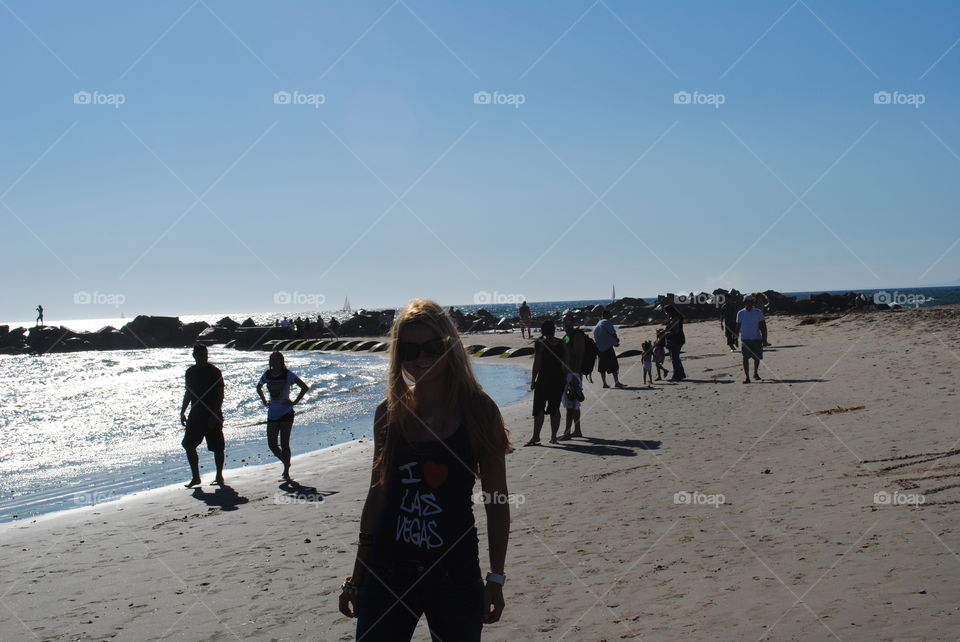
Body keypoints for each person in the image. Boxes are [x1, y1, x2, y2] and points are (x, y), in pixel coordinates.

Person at [338, 299, 510, 641]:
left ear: (450, 347)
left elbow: (497, 500)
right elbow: (377, 496)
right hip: (388, 570)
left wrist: (496, 577)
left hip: (454, 572)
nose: (422, 358)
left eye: (433, 347)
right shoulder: (388, 414)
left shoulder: (479, 412)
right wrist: (358, 576)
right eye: (410, 349)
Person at [257, 351, 309, 480]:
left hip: (286, 412)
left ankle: (286, 471)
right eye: (272, 360)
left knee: (284, 443)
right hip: (272, 413)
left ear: (281, 361)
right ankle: (286, 462)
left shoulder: (287, 374)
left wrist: (294, 402)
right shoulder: (267, 374)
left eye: (277, 359)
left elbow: (304, 387)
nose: (274, 362)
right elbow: (259, 387)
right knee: (272, 444)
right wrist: (264, 400)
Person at [179, 344, 225, 488]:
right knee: (188, 444)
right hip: (196, 413)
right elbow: (188, 393)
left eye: (205, 355)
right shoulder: (190, 372)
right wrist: (183, 411)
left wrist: (215, 414)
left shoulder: (215, 372)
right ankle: (196, 477)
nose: (203, 358)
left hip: (212, 412)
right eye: (200, 355)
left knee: (217, 447)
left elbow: (220, 395)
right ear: (194, 356)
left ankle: (219, 475)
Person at [526, 320, 565, 445]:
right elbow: (565, 363)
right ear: (554, 330)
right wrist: (567, 380)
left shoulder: (540, 344)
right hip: (558, 380)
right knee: (555, 409)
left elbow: (537, 363)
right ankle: (553, 437)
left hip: (543, 380)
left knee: (539, 409)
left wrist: (533, 380)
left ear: (543, 330)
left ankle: (536, 436)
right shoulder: (562, 343)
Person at [559, 314, 585, 440]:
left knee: (571, 403)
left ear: (573, 322)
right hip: (567, 374)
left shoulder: (577, 336)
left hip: (574, 374)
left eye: (567, 321)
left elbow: (579, 356)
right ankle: (577, 430)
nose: (565, 324)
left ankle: (567, 432)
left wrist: (576, 375)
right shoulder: (566, 337)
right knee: (574, 403)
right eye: (563, 321)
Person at [737, 295, 768, 384]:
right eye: (747, 301)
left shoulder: (758, 312)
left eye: (751, 301)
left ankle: (755, 373)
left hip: (757, 338)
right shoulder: (740, 313)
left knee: (757, 357)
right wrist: (735, 338)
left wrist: (765, 339)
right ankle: (747, 377)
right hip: (745, 339)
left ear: (753, 302)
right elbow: (738, 326)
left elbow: (763, 326)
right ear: (745, 302)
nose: (749, 303)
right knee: (745, 358)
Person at [593, 309, 625, 388]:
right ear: (606, 315)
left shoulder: (598, 323)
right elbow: (613, 334)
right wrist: (616, 342)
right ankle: (616, 382)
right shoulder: (607, 322)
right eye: (609, 316)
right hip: (607, 348)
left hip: (599, 348)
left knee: (602, 366)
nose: (610, 318)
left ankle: (604, 383)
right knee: (614, 365)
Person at [663, 304, 686, 382]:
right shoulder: (673, 318)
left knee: (675, 359)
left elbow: (675, 331)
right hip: (675, 340)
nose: (665, 313)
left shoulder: (675, 319)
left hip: (676, 340)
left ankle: (677, 376)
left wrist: (666, 333)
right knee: (675, 358)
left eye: (666, 311)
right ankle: (681, 374)